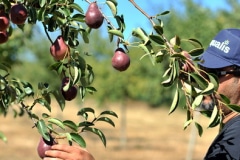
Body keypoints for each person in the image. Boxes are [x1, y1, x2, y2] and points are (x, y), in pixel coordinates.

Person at [198, 28, 240, 160]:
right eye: (204, 70)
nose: (207, 83)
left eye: (216, 74)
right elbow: (204, 104)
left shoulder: (234, 143)